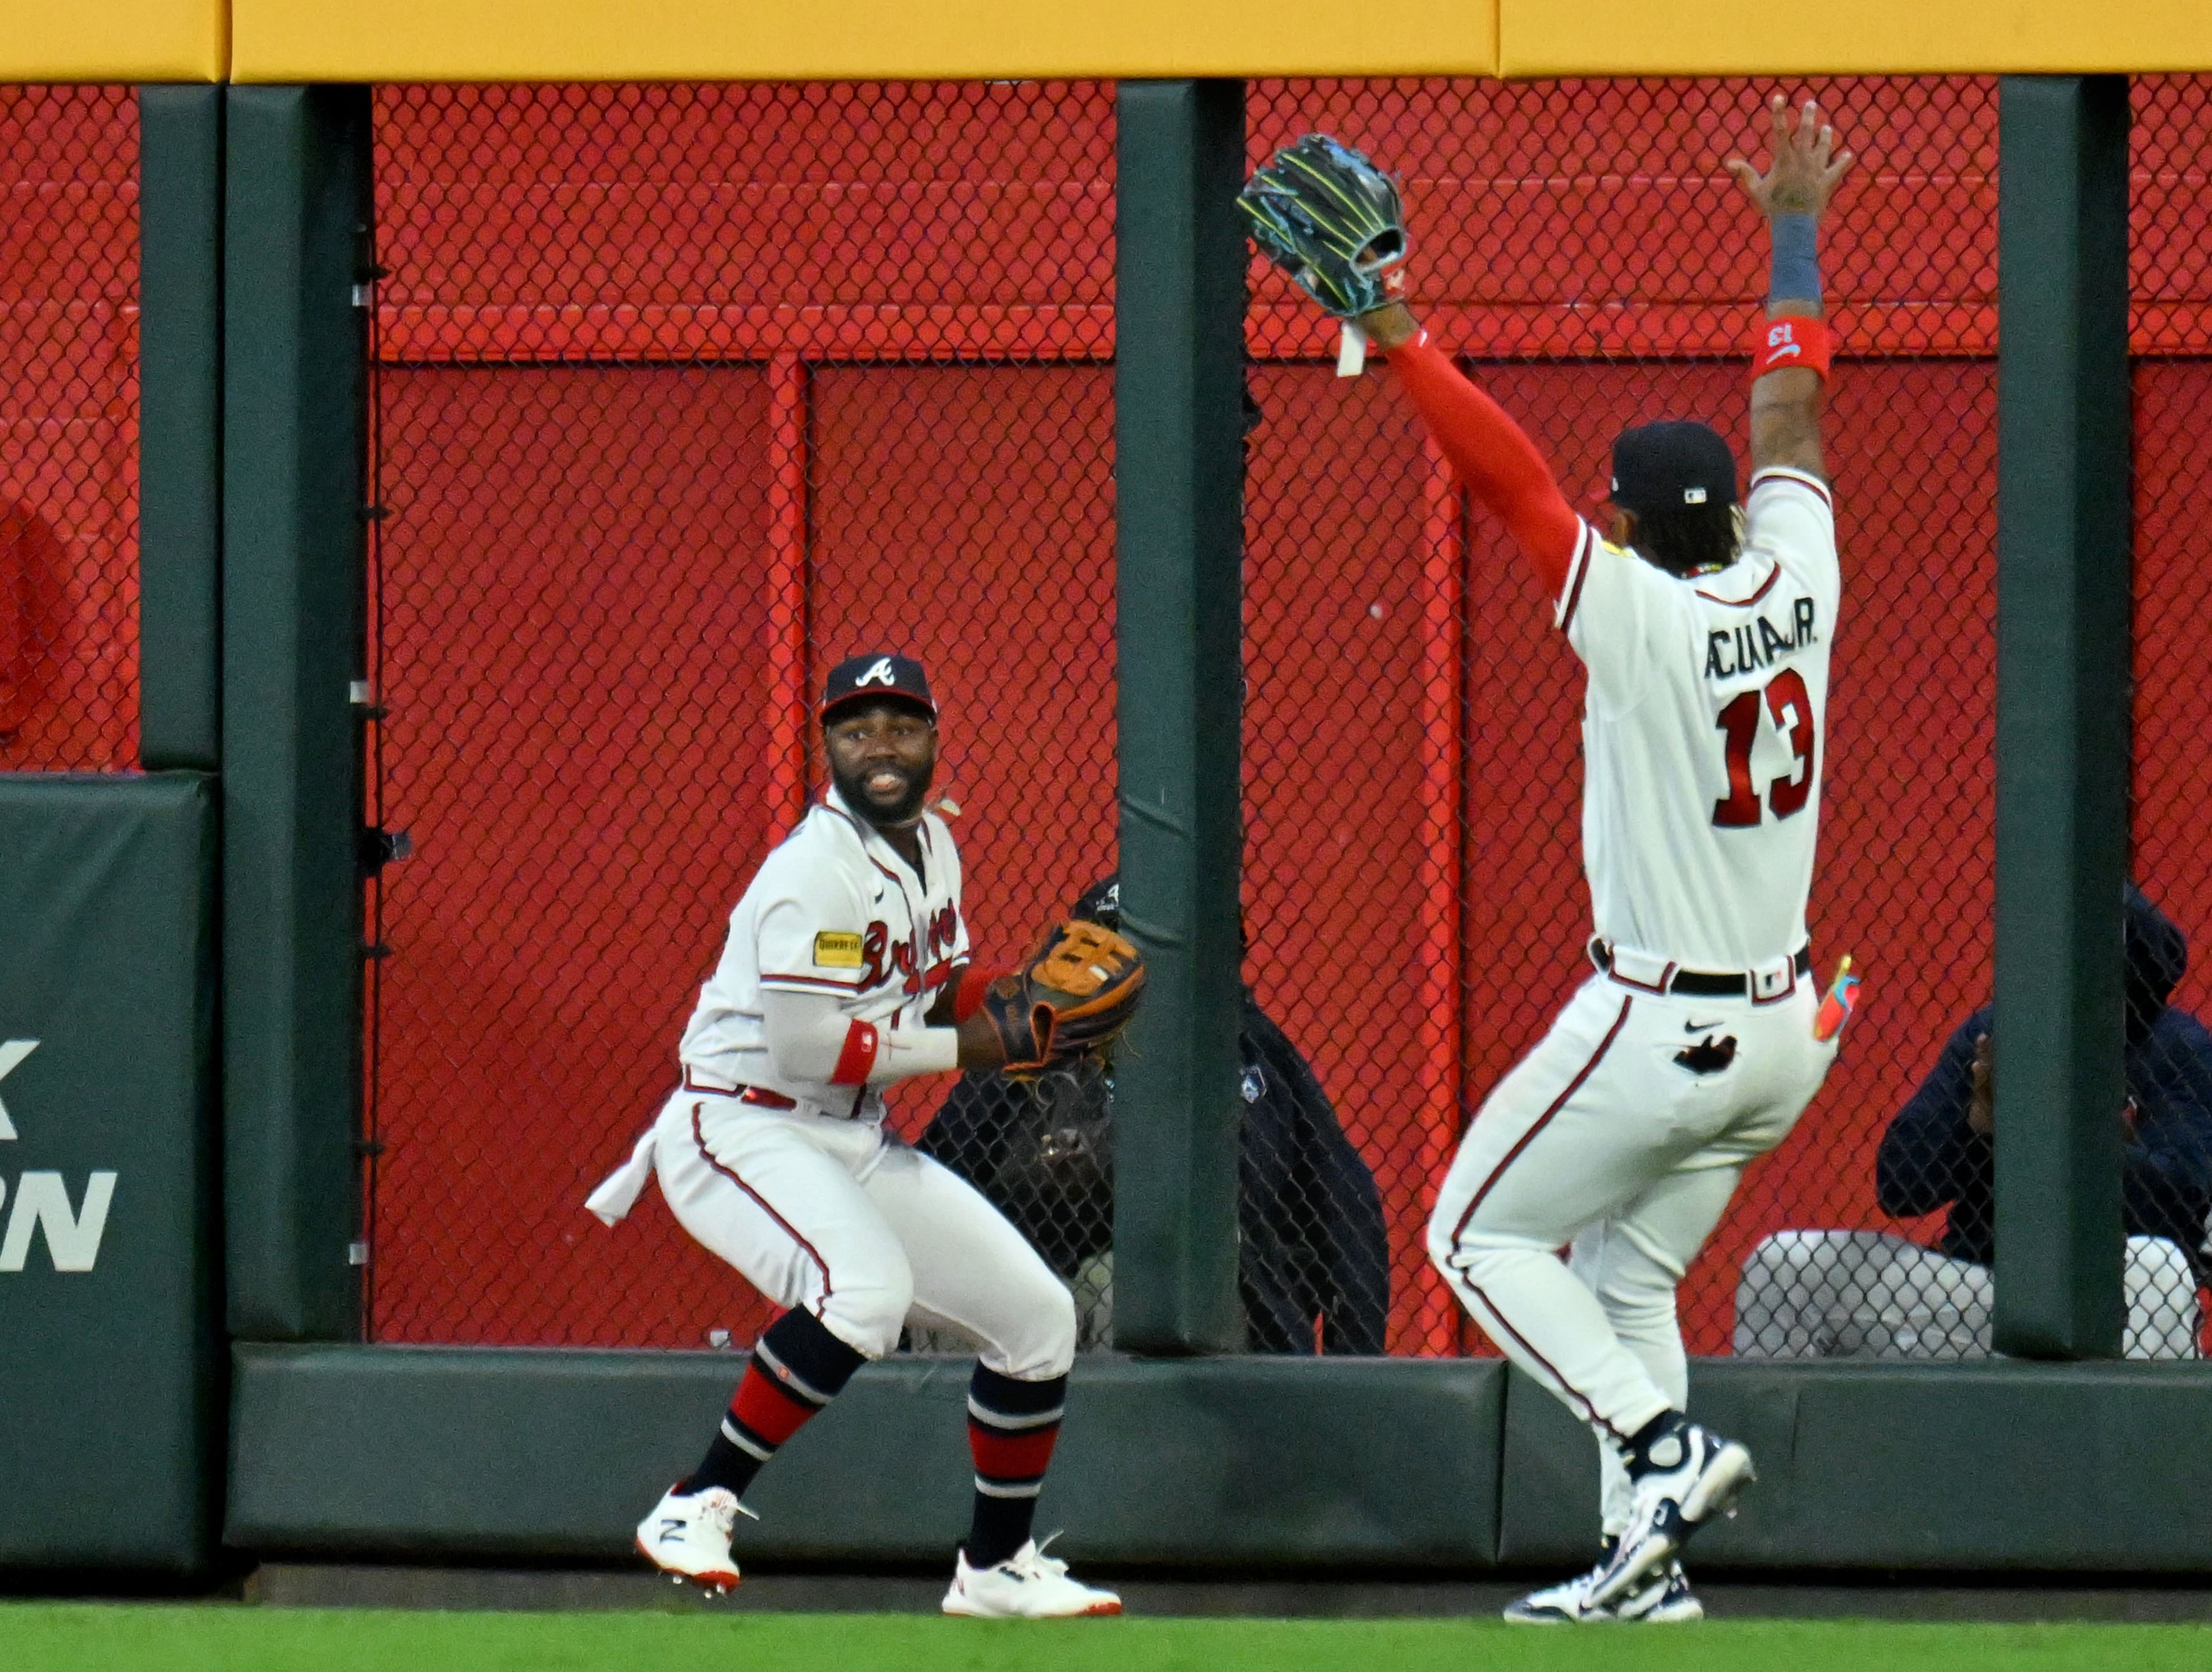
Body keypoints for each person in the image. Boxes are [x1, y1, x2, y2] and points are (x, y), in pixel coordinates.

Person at [1249, 95, 1855, 1623]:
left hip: (1664, 1019)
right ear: (1729, 516)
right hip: (1787, 1036)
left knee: (1472, 1228)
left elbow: (1512, 483)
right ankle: (1643, 1574)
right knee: (1627, 1276)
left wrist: (1393, 325)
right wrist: (1795, 239)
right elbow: (1792, 415)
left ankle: (1660, 1443)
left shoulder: (1640, 617)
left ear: (1639, 529)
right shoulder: (1805, 573)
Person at [582, 652, 1120, 1618]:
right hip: (739, 1124)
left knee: (1039, 1321)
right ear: (826, 742)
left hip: (848, 1135)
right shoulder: (810, 872)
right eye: (858, 726)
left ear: (933, 740)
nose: (881, 745)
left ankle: (994, 1569)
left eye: (902, 725)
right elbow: (808, 1043)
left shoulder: (933, 848)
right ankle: (695, 1502)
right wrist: (972, 1043)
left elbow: (932, 986)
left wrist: (1022, 1001)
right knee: (865, 1292)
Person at [918, 876, 1391, 1355]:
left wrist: (1356, 1362)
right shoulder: (1030, 1046)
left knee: (1121, 1290)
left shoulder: (1248, 1048)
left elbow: (1345, 1206)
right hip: (1039, 1270)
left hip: (1188, 1292)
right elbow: (937, 1167)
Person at [1737, 885, 2212, 1360]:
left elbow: (2186, 1205)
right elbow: (1899, 1187)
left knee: (2160, 1266)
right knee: (1783, 1261)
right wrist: (1980, 1128)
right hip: (1980, 1286)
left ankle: (2132, 1435)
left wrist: (2076, 1139)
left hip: (2108, 1288)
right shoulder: (1994, 1032)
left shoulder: (2173, 1046)